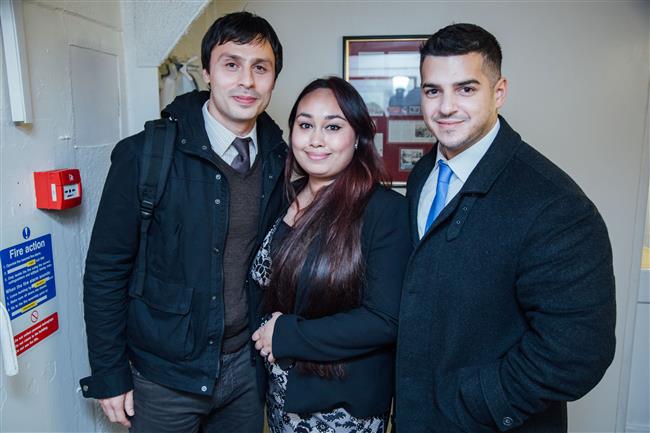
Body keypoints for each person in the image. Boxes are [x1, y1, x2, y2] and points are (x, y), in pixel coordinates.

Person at [395, 23, 616, 433]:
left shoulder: (555, 204)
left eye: (465, 89)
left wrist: (477, 401)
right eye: (432, 91)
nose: (445, 107)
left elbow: (577, 351)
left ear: (499, 92)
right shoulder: (423, 174)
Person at [79, 12, 286, 433]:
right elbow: (105, 270)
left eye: (259, 67)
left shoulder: (281, 158)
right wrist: (109, 372)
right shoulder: (144, 155)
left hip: (245, 373)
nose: (246, 80)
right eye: (231, 64)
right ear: (208, 71)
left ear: (273, 79)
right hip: (163, 377)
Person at [250, 76, 412, 433]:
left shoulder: (384, 211)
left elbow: (385, 319)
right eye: (305, 124)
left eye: (333, 126)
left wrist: (287, 335)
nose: (316, 139)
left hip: (338, 409)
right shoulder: (282, 197)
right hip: (278, 398)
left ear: (358, 138)